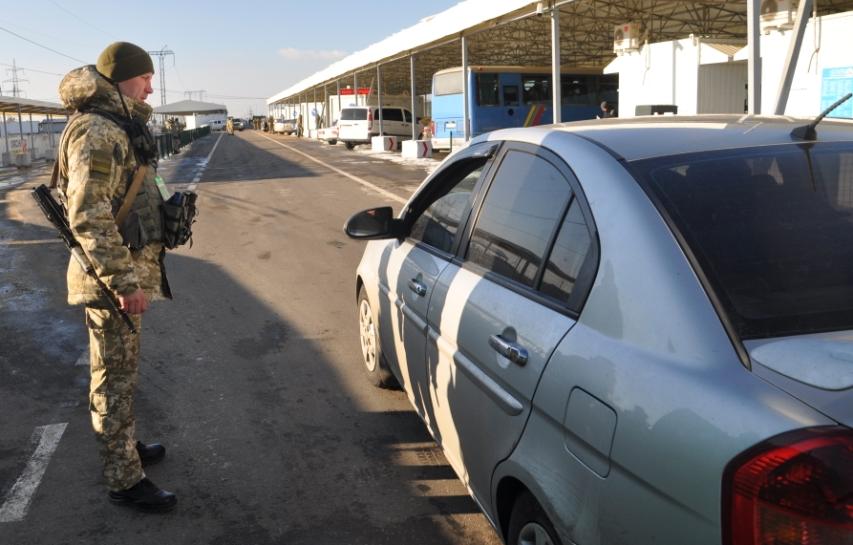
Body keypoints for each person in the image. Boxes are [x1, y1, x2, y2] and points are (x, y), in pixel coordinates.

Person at [56, 42, 177, 513]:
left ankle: (124, 445)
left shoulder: (118, 125)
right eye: (144, 78)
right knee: (113, 378)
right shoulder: (98, 131)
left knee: (121, 375)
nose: (151, 86)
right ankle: (124, 480)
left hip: (120, 273)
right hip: (110, 281)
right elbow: (89, 215)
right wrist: (124, 283)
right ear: (121, 81)